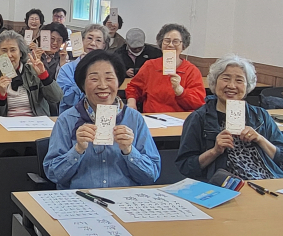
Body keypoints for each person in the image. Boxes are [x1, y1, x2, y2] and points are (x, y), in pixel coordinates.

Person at [43, 50, 161, 189]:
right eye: (94, 79)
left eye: (109, 78)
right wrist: (77, 150)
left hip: (125, 200)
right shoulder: (67, 120)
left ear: (118, 82)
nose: (103, 85)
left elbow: (151, 175)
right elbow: (53, 174)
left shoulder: (134, 119)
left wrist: (129, 151)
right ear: (82, 85)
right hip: (80, 201)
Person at [176, 55, 283, 181]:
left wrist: (260, 139)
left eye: (239, 80)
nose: (231, 86)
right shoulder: (198, 118)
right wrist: (215, 151)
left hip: (268, 181)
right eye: (226, 79)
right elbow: (185, 167)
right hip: (226, 185)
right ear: (214, 82)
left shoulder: (260, 116)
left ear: (248, 86)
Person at [125, 23, 205, 113]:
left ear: (183, 46)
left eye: (176, 41)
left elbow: (198, 103)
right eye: (167, 41)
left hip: (181, 121)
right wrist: (131, 103)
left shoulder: (191, 71)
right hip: (152, 118)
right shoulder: (150, 66)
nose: (170, 45)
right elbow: (134, 87)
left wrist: (180, 91)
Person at [0, 30, 62, 117]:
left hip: (35, 122)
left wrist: (44, 76)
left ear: (21, 52)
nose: (9, 55)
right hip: (7, 125)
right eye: (4, 50)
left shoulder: (33, 72)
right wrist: (1, 95)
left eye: (13, 50)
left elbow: (56, 98)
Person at [56, 24, 109, 114]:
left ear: (103, 45)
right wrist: (84, 70)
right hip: (72, 117)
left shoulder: (108, 70)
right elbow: (68, 99)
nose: (92, 43)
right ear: (82, 40)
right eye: (89, 38)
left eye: (98, 40)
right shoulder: (66, 69)